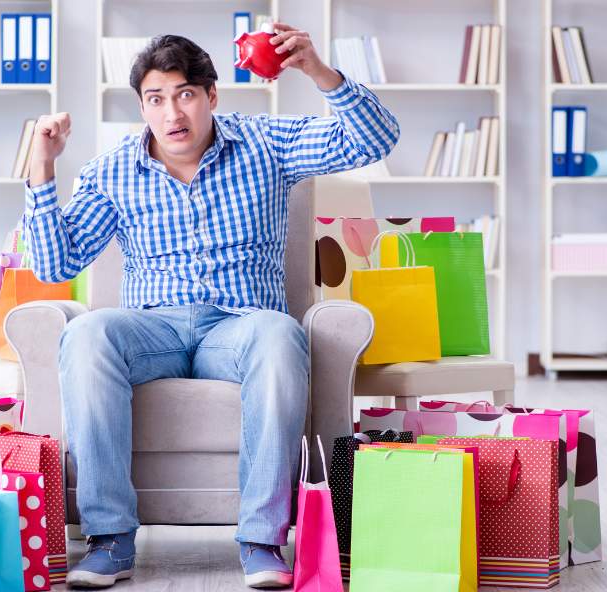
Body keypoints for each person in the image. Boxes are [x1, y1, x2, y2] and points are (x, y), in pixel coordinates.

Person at [22, 24, 399, 589]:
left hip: (242, 327)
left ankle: (261, 540)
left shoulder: (264, 143)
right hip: (152, 328)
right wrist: (43, 169)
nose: (173, 112)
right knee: (87, 334)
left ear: (211, 96)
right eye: (156, 99)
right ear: (142, 107)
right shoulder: (113, 170)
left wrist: (319, 71)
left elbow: (375, 140)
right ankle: (110, 540)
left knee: (279, 334)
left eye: (185, 94)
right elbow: (55, 265)